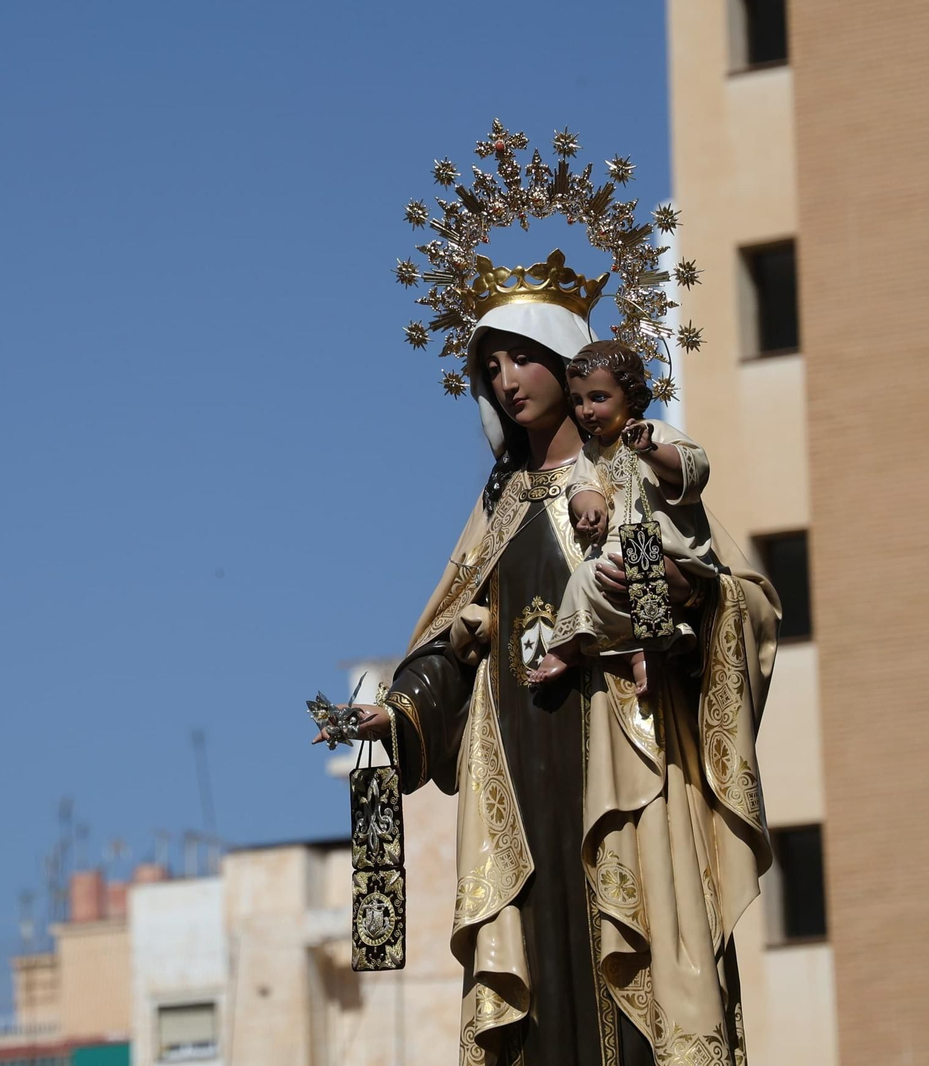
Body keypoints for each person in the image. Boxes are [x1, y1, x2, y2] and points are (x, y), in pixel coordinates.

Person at [311, 252, 780, 1065]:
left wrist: (689, 594)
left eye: (521, 357)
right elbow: (456, 639)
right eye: (490, 366)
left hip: (624, 761)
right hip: (521, 771)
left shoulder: (633, 475)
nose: (505, 380)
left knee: (634, 968)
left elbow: (741, 598)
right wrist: (396, 709)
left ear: (570, 362)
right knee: (544, 978)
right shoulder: (500, 504)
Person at [527, 341, 721, 695]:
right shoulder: (592, 452)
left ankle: (652, 650)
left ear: (630, 395)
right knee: (588, 577)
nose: (586, 410)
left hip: (661, 543)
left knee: (640, 556)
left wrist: (649, 450)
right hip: (614, 546)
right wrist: (590, 510)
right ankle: (579, 649)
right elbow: (581, 486)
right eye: (578, 400)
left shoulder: (652, 431)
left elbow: (693, 469)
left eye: (598, 397)